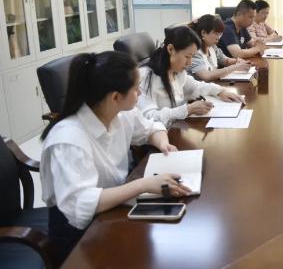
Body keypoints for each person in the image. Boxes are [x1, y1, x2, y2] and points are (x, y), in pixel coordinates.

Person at [39, 52, 191, 266]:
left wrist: (163, 143)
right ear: (116, 97)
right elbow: (81, 205)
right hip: (78, 231)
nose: (139, 93)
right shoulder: (69, 139)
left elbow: (151, 128)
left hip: (113, 207)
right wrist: (144, 184)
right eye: (136, 88)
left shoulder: (120, 112)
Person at [138, 26, 245, 128]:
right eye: (187, 56)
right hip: (160, 137)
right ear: (170, 49)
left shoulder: (176, 72)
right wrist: (186, 110)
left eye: (193, 56)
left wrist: (221, 91)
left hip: (177, 129)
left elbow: (195, 86)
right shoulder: (145, 76)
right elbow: (147, 117)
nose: (189, 62)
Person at [187, 14, 252, 82]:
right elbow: (207, 76)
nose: (218, 38)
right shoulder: (194, 52)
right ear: (203, 32)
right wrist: (235, 67)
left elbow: (226, 61)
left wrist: (238, 61)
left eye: (220, 34)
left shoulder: (212, 47)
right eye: (216, 34)